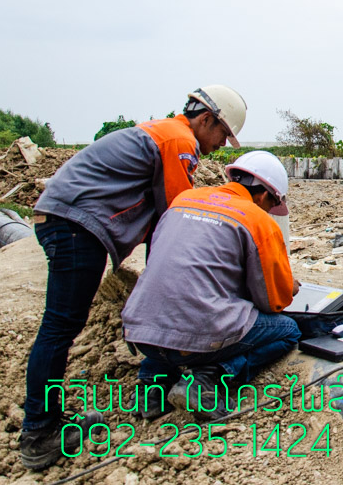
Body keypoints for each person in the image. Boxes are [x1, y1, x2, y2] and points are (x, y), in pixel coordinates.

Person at [20, 85, 246, 471]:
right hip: (76, 226)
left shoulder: (161, 132)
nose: (222, 144)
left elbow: (159, 219)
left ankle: (43, 425)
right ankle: (40, 432)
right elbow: (176, 214)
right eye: (223, 134)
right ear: (206, 119)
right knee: (60, 327)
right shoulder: (179, 141)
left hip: (65, 219)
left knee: (60, 326)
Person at [120, 151, 299, 421]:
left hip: (140, 331)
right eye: (271, 205)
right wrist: (289, 287)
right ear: (265, 195)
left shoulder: (183, 199)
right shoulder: (257, 219)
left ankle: (151, 387)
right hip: (193, 341)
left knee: (174, 305)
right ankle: (209, 378)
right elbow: (273, 302)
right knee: (288, 330)